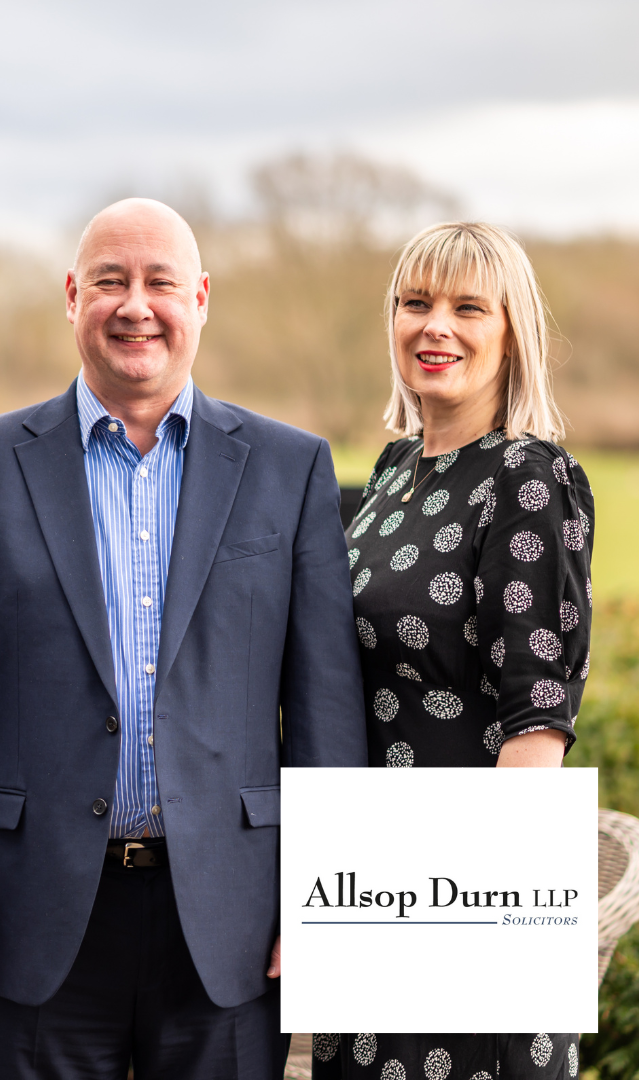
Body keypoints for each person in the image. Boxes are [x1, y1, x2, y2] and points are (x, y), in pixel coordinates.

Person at [0, 197, 367, 1079]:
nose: (135, 305)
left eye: (160, 283)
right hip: (29, 919)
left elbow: (327, 706)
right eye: (110, 281)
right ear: (73, 296)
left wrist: (325, 904)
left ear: (202, 299)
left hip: (230, 916)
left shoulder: (291, 468)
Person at [313, 223, 592, 1079]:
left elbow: (536, 727)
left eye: (469, 306)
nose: (436, 326)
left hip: (464, 898)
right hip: (368, 881)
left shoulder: (528, 476)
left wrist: (479, 931)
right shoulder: (395, 472)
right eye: (415, 303)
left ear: (513, 331)